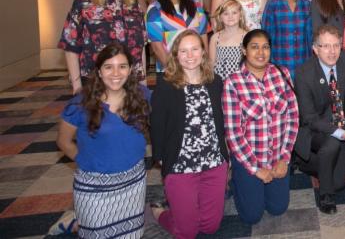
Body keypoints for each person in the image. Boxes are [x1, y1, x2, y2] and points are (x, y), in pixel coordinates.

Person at [56, 43, 150, 238]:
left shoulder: (143, 96)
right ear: (99, 71)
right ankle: (75, 222)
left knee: (130, 234)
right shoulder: (81, 103)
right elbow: (63, 142)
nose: (116, 73)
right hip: (94, 187)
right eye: (108, 67)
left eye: (122, 66)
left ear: (130, 69)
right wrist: (87, 162)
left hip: (133, 183)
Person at [150, 30, 229, 238]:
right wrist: (159, 156)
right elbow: (157, 123)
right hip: (180, 164)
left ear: (203, 53)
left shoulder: (215, 82)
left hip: (213, 162)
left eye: (195, 49)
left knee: (210, 227)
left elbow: (223, 120)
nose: (190, 55)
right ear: (176, 55)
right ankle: (160, 213)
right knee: (188, 232)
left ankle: (186, 211)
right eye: (183, 51)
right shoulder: (166, 85)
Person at [223, 29, 299, 223]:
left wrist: (284, 158)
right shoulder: (233, 83)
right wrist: (255, 168)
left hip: (276, 157)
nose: (261, 53)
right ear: (244, 50)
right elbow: (233, 133)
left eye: (265, 47)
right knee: (252, 216)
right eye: (254, 47)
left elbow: (293, 117)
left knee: (278, 209)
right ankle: (236, 181)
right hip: (249, 159)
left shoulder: (282, 74)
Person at [294, 25, 345, 214]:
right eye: (325, 46)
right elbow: (309, 117)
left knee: (339, 184)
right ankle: (326, 196)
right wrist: (342, 133)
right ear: (315, 49)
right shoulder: (303, 73)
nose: (332, 51)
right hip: (314, 129)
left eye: (336, 46)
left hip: (341, 124)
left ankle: (306, 164)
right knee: (332, 145)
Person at [59, 0, 146, 94]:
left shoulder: (133, 2)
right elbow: (70, 46)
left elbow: (140, 45)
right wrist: (76, 86)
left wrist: (143, 83)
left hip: (130, 82)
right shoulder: (84, 2)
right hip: (95, 81)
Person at [146, 0, 210, 77]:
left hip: (197, 71)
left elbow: (204, 38)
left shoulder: (196, 7)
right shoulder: (154, 10)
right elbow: (156, 47)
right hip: (170, 73)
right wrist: (175, 73)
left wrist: (205, 67)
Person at [262, 0, 312, 78]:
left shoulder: (307, 5)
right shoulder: (272, 5)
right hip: (279, 66)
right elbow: (265, 38)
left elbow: (311, 38)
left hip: (303, 65)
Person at [209, 0, 248, 80]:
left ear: (240, 15)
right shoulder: (215, 38)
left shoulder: (246, 36)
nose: (230, 16)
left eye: (234, 13)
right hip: (219, 80)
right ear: (220, 17)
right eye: (226, 13)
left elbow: (250, 62)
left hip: (240, 80)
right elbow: (211, 63)